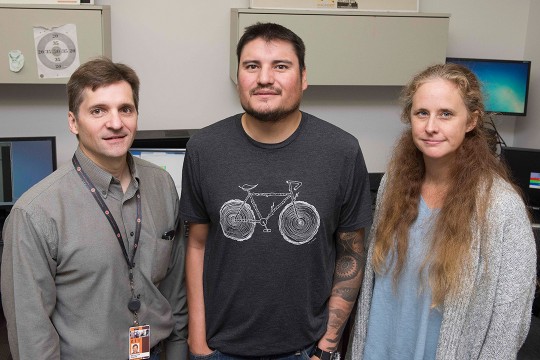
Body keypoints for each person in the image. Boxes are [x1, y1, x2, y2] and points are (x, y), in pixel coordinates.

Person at [180, 22, 372, 359]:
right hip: (219, 348)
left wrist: (326, 347)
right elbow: (196, 245)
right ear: (238, 76)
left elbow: (351, 253)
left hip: (304, 349)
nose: (264, 78)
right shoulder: (203, 149)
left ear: (304, 77)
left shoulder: (342, 151)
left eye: (280, 66)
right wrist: (198, 340)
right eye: (251, 66)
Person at [0, 57, 187, 360]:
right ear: (73, 121)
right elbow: (30, 333)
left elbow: (176, 289)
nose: (115, 123)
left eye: (125, 109)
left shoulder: (163, 184)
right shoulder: (35, 213)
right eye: (98, 110)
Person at [348, 63, 537, 359]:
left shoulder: (500, 206)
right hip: (379, 349)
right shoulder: (392, 185)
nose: (431, 126)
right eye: (422, 113)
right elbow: (376, 288)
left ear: (471, 121)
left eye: (446, 114)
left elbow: (509, 324)